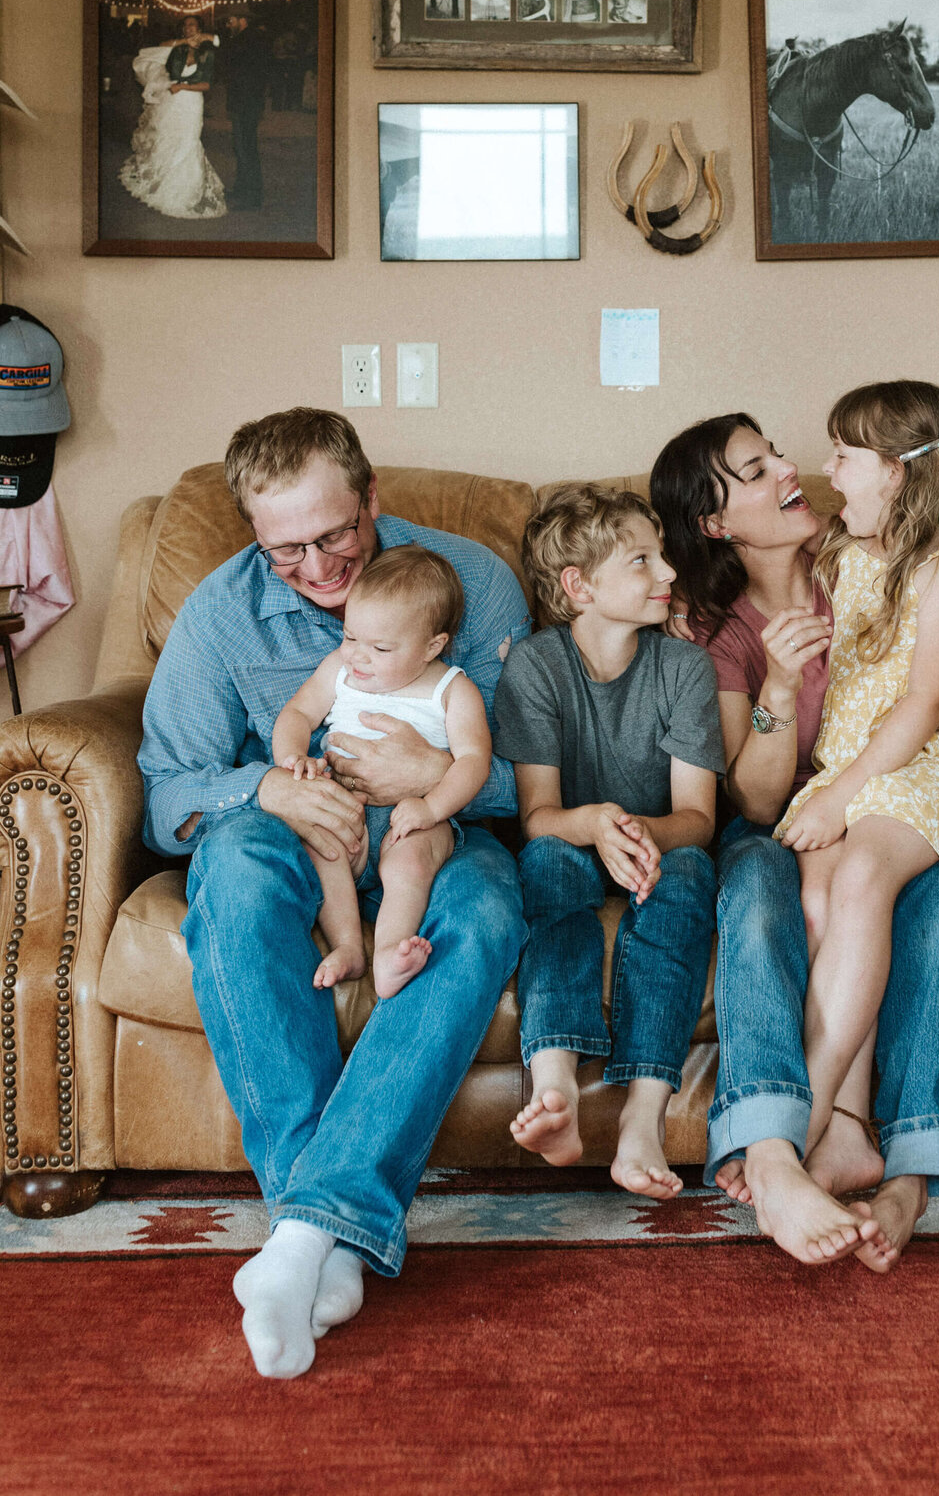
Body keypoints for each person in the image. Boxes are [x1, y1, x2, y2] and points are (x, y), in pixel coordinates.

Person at [138, 407, 530, 1379]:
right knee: (227, 867)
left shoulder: (472, 581)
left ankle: (304, 1238)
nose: (317, 567)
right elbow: (165, 795)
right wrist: (265, 784)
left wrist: (429, 772)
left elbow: (536, 771)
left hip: (436, 833)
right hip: (288, 830)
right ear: (254, 538)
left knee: (485, 910)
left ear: (373, 499)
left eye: (335, 534)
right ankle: (331, 1230)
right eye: (287, 550)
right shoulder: (220, 610)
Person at [650, 411, 939, 1269]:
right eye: (755, 466)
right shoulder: (713, 627)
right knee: (770, 893)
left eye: (777, 449)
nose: (790, 468)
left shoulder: (866, 546)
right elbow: (760, 797)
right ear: (714, 521)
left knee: (925, 908)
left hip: (903, 799)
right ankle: (778, 1141)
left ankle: (904, 1169)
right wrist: (777, 681)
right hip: (788, 818)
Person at [773, 381, 939, 1239]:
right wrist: (837, 784)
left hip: (924, 766)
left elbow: (922, 709)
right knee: (813, 894)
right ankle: (847, 1132)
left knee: (863, 874)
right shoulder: (843, 550)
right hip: (852, 764)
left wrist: (842, 798)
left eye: (845, 453)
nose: (827, 468)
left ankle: (802, 1106)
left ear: (907, 472)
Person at [492, 484, 725, 1201]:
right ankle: (555, 1083)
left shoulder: (684, 668)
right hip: (570, 839)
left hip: (660, 846)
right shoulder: (535, 666)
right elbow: (538, 815)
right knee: (548, 861)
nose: (668, 574)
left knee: (686, 875)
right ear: (579, 585)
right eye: (643, 561)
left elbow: (698, 816)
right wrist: (594, 823)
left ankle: (642, 1118)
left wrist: (637, 833)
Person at [272, 545, 492, 997]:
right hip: (343, 810)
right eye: (350, 637)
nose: (358, 656)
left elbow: (474, 761)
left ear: (433, 646)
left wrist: (431, 808)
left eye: (380, 647)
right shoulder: (339, 670)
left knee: (411, 864)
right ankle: (349, 946)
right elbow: (297, 713)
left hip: (412, 820)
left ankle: (391, 953)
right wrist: (295, 759)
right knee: (320, 846)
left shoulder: (452, 690)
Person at [119, 14, 226, 220]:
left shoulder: (206, 53)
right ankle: (162, 180)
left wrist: (184, 86)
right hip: (171, 101)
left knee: (187, 142)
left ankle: (186, 192)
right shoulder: (176, 49)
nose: (188, 28)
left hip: (191, 102)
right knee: (167, 138)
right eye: (185, 26)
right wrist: (186, 42)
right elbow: (153, 50)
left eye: (193, 25)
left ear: (200, 29)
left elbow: (206, 84)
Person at [222, 10, 270, 210]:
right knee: (241, 146)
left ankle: (252, 196)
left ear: (243, 20)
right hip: (244, 100)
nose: (228, 24)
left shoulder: (249, 39)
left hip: (246, 101)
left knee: (246, 147)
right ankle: (242, 188)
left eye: (230, 20)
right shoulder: (246, 38)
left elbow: (243, 69)